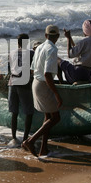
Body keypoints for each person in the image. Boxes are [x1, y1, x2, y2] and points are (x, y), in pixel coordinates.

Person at [22, 25, 63, 157]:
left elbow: (33, 69)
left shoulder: (39, 47)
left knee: (48, 117)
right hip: (44, 85)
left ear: (46, 36)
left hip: (35, 83)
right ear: (57, 36)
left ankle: (43, 149)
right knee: (56, 118)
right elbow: (47, 74)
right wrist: (56, 93)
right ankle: (31, 141)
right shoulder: (52, 49)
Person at [8, 33, 35, 145]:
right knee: (29, 113)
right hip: (24, 84)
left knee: (14, 112)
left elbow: (10, 69)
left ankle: (14, 137)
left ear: (18, 43)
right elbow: (34, 67)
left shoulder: (12, 53)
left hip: (12, 83)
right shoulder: (31, 53)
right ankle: (25, 139)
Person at [58, 19, 91, 84]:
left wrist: (68, 39)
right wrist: (70, 38)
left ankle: (61, 84)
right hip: (87, 74)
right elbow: (77, 50)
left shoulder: (84, 41)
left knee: (57, 60)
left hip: (77, 73)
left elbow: (70, 54)